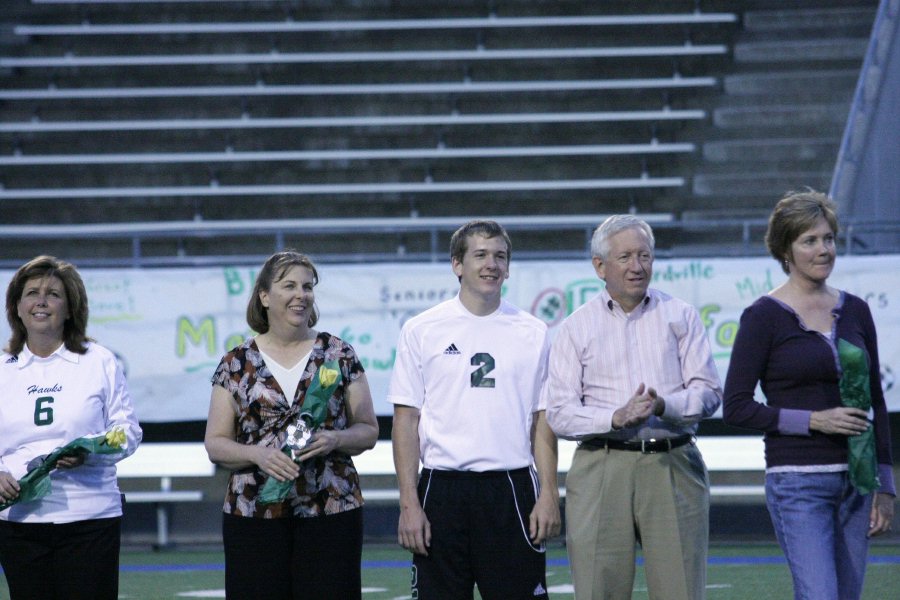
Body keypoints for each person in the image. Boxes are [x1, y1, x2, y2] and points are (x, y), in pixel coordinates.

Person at [723, 190, 894, 600]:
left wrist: (884, 486)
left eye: (829, 238)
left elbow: (876, 398)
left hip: (856, 480)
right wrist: (813, 420)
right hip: (797, 482)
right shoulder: (763, 316)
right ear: (786, 249)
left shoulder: (855, 310)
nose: (824, 250)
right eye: (810, 241)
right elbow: (736, 406)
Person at [545, 214, 722, 600]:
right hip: (600, 464)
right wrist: (614, 417)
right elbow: (558, 412)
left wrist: (664, 404)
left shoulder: (681, 316)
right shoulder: (575, 327)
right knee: (598, 590)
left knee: (681, 590)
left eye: (644, 255)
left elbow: (709, 392)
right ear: (599, 266)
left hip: (672, 462)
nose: (637, 267)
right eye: (624, 257)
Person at [388, 220, 560, 600]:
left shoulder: (533, 331)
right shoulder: (422, 329)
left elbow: (542, 420)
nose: (491, 264)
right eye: (480, 254)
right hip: (441, 488)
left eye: (500, 256)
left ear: (509, 266)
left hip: (511, 487)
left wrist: (549, 493)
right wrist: (408, 503)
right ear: (457, 264)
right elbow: (406, 422)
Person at [204, 250, 379, 600]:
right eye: (289, 286)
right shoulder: (236, 362)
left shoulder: (337, 354)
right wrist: (257, 455)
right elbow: (216, 443)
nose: (302, 294)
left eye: (308, 286)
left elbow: (368, 430)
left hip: (331, 508)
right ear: (265, 296)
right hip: (254, 512)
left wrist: (335, 438)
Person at [0, 255, 142, 600]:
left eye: (53, 294)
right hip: (20, 521)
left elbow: (128, 431)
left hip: (90, 517)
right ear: (17, 307)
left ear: (70, 308)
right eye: (32, 293)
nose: (41, 302)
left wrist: (91, 452)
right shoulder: (2, 368)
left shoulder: (99, 361)